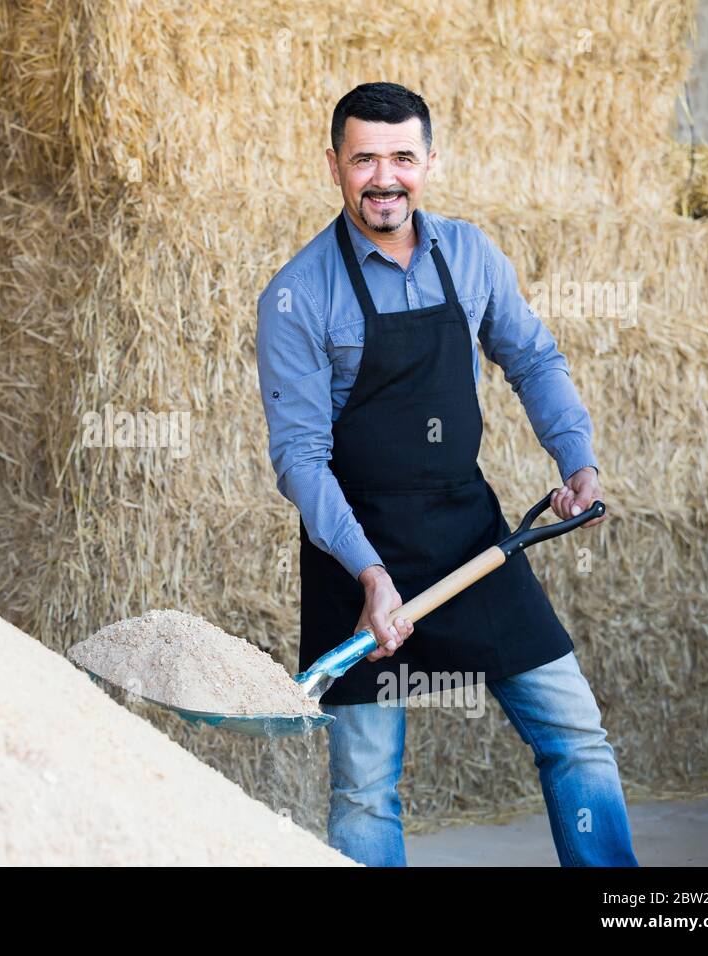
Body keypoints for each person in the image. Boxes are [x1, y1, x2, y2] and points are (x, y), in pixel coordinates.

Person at [255, 82, 639, 867]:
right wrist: (368, 574)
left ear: (430, 161)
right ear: (334, 165)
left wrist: (578, 460)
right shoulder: (296, 295)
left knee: (575, 735)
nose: (384, 177)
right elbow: (299, 457)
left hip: (472, 539)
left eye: (402, 157)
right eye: (364, 159)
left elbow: (532, 357)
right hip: (354, 559)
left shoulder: (469, 254)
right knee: (364, 788)